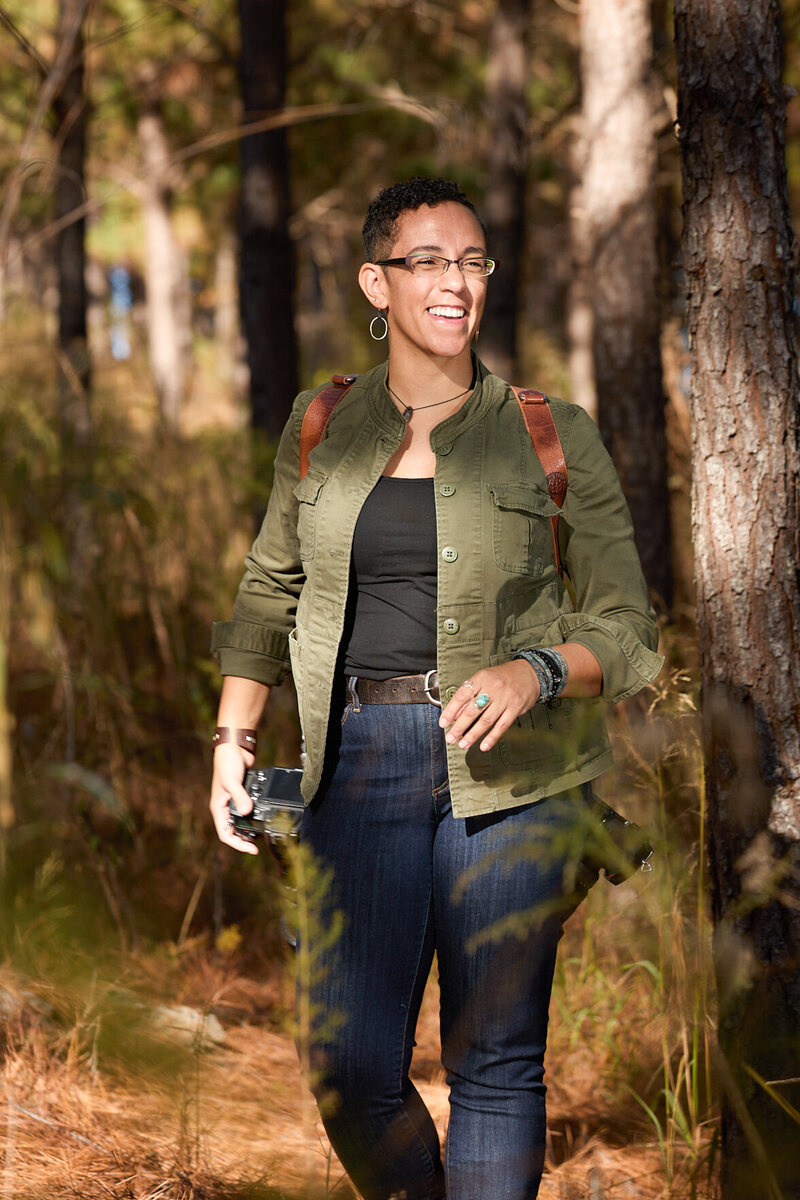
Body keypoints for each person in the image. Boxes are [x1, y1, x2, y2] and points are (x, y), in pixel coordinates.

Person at [209, 177, 663, 1200]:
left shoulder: (550, 430)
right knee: (350, 1064)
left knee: (494, 1067)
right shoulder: (321, 421)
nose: (455, 282)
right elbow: (267, 585)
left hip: (516, 774)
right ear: (376, 281)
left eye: (472, 261)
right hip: (355, 761)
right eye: (428, 261)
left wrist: (534, 669)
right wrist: (231, 738)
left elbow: (628, 634)